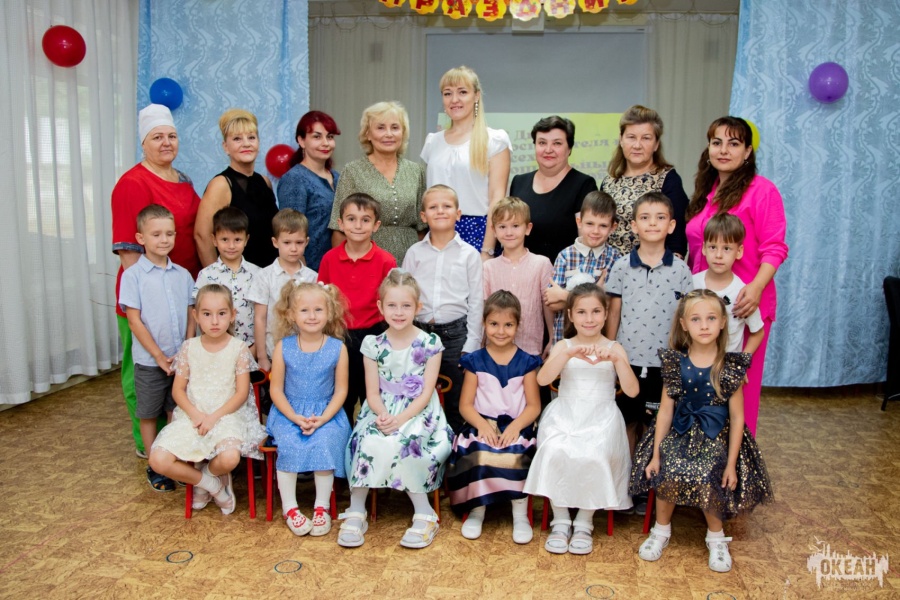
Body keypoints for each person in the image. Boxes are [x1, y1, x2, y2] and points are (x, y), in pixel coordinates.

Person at [630, 290, 774, 573]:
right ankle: (661, 530)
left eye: (711, 318)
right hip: (680, 431)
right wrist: (656, 455)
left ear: (723, 322)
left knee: (711, 468)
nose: (704, 326)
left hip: (717, 435)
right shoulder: (675, 364)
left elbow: (737, 418)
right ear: (684, 324)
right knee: (670, 464)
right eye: (696, 319)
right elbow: (665, 412)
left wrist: (731, 464)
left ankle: (716, 537)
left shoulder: (729, 367)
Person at [685, 116, 788, 438]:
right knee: (701, 393)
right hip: (703, 309)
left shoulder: (762, 190)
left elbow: (775, 247)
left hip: (743, 306)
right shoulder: (707, 191)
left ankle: (737, 462)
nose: (723, 150)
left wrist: (755, 288)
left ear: (747, 152)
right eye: (717, 143)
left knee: (737, 392)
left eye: (733, 143)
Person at [339, 270, 454, 549]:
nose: (399, 312)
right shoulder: (372, 344)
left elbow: (426, 392)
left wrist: (401, 419)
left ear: (418, 307)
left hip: (420, 411)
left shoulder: (430, 344)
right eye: (392, 305)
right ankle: (356, 510)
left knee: (407, 441)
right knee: (368, 439)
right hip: (381, 409)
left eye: (406, 306)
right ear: (380, 307)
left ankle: (424, 513)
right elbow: (372, 393)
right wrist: (383, 415)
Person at [111, 103, 201, 459]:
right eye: (157, 137)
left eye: (172, 136)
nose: (166, 143)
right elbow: (129, 254)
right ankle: (147, 448)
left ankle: (174, 444)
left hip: (181, 290)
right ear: (143, 143)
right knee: (143, 373)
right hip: (147, 300)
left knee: (178, 376)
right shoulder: (132, 184)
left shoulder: (183, 179)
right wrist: (150, 304)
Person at [523, 284, 639, 555]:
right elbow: (543, 379)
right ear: (571, 316)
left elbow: (633, 391)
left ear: (606, 314)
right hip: (566, 415)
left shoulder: (614, 347)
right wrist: (566, 354)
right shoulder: (563, 346)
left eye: (596, 311)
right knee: (554, 451)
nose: (589, 319)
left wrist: (617, 361)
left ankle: (585, 522)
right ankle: (561, 520)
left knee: (593, 455)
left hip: (601, 418)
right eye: (582, 312)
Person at [148, 284, 266, 514]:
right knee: (158, 460)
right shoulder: (189, 347)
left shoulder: (238, 348)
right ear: (196, 316)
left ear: (232, 315)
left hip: (227, 415)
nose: (214, 321)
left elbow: (241, 393)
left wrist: (213, 418)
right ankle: (211, 484)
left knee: (230, 458)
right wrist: (197, 415)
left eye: (221, 314)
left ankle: (209, 473)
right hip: (192, 415)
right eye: (207, 314)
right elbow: (178, 390)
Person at [605, 192, 693, 468]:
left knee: (655, 424)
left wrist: (682, 357)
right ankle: (626, 479)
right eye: (645, 217)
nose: (652, 223)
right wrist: (610, 350)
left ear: (671, 225)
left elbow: (685, 318)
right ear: (634, 225)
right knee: (627, 422)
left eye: (660, 217)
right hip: (627, 360)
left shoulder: (681, 270)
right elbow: (614, 313)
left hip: (664, 363)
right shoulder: (621, 267)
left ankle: (648, 480)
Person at [447, 291, 541, 544]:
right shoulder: (474, 361)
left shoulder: (527, 363)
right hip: (481, 423)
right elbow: (466, 405)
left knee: (517, 453)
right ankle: (476, 510)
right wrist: (481, 426)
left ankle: (520, 515)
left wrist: (516, 427)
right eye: (494, 324)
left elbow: (534, 406)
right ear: (484, 324)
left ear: (518, 326)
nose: (501, 331)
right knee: (479, 453)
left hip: (517, 425)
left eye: (508, 325)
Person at [119, 205, 197, 492]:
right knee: (149, 413)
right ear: (141, 238)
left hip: (179, 359)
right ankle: (155, 465)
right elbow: (134, 320)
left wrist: (186, 348)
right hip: (151, 362)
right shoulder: (133, 276)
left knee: (175, 411)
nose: (164, 240)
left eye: (169, 234)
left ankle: (173, 460)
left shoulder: (183, 275)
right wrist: (159, 356)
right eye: (156, 234)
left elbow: (191, 313)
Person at [266, 282, 352, 537]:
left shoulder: (338, 348)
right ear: (291, 314)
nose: (312, 316)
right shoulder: (283, 347)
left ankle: (321, 507)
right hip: (288, 412)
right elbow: (276, 390)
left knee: (324, 441)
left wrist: (323, 418)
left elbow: (341, 391)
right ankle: (290, 508)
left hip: (326, 413)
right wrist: (294, 417)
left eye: (318, 310)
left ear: (329, 313)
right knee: (290, 443)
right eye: (304, 310)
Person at [402, 185, 483, 432]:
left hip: (455, 336)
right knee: (417, 392)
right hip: (419, 333)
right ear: (423, 216)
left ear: (458, 214)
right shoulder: (414, 252)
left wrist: (471, 344)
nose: (440, 211)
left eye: (446, 206)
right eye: (433, 207)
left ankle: (456, 448)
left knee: (456, 396)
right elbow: (405, 294)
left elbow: (476, 301)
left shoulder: (469, 254)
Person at [319, 194, 397, 423]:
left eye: (365, 220)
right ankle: (342, 440)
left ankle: (369, 439)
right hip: (338, 335)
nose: (358, 225)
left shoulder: (386, 261)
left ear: (376, 225)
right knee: (342, 395)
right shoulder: (329, 259)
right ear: (341, 223)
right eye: (351, 219)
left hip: (374, 335)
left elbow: (391, 303)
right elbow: (322, 300)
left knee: (372, 395)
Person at [421, 66, 511, 255]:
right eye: (448, 93)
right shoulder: (432, 142)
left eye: (462, 92)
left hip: (477, 234)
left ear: (476, 96)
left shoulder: (494, 140)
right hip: (436, 233)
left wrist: (487, 250)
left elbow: (497, 198)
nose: (454, 99)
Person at [329, 101, 426, 264]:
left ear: (403, 133)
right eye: (380, 128)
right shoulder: (352, 171)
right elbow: (339, 229)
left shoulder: (416, 171)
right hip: (365, 260)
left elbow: (422, 227)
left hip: (411, 259)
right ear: (367, 133)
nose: (388, 134)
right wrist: (342, 267)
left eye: (395, 127)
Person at [600, 105, 689, 257]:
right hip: (610, 267)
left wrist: (671, 268)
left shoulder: (668, 179)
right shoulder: (609, 182)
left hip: (653, 268)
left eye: (646, 138)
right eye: (631, 137)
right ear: (621, 140)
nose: (637, 145)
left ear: (656, 144)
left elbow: (677, 239)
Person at [195, 109, 279, 269]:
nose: (246, 144)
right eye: (237, 139)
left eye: (251, 137)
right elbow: (202, 236)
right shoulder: (221, 184)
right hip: (235, 277)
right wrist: (216, 278)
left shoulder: (265, 182)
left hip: (268, 275)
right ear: (226, 147)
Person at [509, 116, 598, 262]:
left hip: (564, 272)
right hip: (521, 270)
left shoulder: (584, 185)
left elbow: (587, 241)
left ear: (569, 148)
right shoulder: (519, 182)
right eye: (542, 143)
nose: (548, 150)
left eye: (557, 143)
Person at [544, 191, 622, 347]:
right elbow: (552, 302)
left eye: (603, 225)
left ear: (613, 227)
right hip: (564, 340)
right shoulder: (565, 256)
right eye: (590, 224)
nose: (595, 231)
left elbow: (610, 304)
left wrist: (564, 295)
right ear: (579, 221)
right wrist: (596, 297)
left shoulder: (615, 259)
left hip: (598, 344)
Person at [247, 209, 318, 372]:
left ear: (306, 242)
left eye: (299, 242)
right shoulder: (264, 276)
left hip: (305, 353)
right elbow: (260, 318)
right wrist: (262, 356)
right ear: (275, 242)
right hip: (273, 351)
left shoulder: (313, 277)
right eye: (287, 243)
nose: (293, 248)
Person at [482, 196, 554, 357]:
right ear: (494, 230)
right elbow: (483, 310)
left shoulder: (541, 264)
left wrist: (552, 338)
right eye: (502, 226)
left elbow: (548, 305)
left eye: (515, 226)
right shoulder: (488, 267)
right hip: (494, 352)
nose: (509, 232)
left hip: (530, 350)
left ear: (528, 228)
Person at [277, 111, 342, 271]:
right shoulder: (294, 179)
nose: (325, 143)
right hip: (309, 269)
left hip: (337, 265)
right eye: (317, 137)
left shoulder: (338, 177)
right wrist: (301, 274)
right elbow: (290, 232)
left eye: (330, 137)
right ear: (301, 140)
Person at [693, 215, 765, 354]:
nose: (718, 255)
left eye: (726, 248)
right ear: (704, 248)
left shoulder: (742, 293)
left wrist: (741, 362)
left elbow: (758, 332)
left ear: (739, 252)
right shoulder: (691, 284)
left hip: (726, 365)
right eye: (713, 247)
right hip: (693, 365)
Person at [193, 207, 261, 349]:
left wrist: (256, 349)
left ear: (246, 240)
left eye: (237, 240)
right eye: (224, 239)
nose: (231, 246)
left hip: (250, 347)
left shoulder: (257, 274)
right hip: (215, 349)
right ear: (214, 240)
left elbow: (262, 314)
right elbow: (199, 313)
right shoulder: (206, 275)